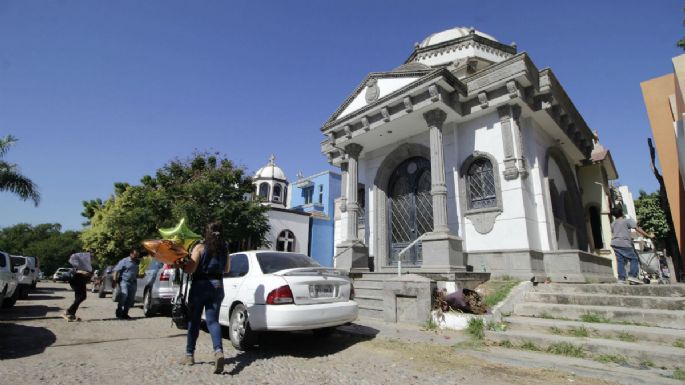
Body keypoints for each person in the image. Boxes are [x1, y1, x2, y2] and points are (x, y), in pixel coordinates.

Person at [179, 221, 230, 374]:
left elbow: (191, 269)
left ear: (207, 232)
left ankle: (189, 355)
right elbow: (227, 269)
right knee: (213, 321)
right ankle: (218, 351)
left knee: (194, 321)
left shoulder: (200, 247)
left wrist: (181, 264)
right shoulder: (225, 248)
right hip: (218, 286)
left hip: (200, 286)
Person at [610, 207, 654, 285]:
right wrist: (648, 236)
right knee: (634, 258)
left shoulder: (613, 223)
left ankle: (621, 279)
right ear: (622, 213)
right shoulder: (627, 221)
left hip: (614, 243)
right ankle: (633, 276)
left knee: (620, 261)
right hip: (624, 243)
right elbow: (637, 229)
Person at [63, 252, 93, 321]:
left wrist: (88, 275)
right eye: (91, 257)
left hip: (80, 281)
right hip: (75, 281)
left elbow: (87, 273)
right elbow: (73, 270)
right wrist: (81, 272)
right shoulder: (76, 260)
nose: (92, 258)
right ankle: (68, 311)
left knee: (79, 297)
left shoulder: (85, 264)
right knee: (82, 297)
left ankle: (72, 313)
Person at [113, 249, 140, 319]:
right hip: (124, 281)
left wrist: (141, 275)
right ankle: (119, 310)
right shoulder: (124, 261)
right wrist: (114, 281)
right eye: (134, 255)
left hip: (133, 282)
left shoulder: (138, 262)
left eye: (137, 255)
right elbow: (116, 270)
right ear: (131, 254)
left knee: (130, 299)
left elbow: (137, 273)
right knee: (124, 295)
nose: (136, 257)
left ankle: (125, 313)